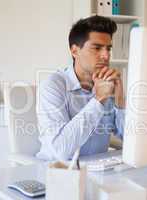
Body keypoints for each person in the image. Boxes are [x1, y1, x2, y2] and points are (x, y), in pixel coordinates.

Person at [36, 15, 125, 161]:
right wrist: (99, 99)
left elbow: (131, 140)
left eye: (108, 49)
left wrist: (120, 101)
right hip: (58, 173)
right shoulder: (52, 86)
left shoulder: (107, 84)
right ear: (74, 51)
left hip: (97, 173)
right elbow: (61, 151)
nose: (106, 55)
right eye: (97, 48)